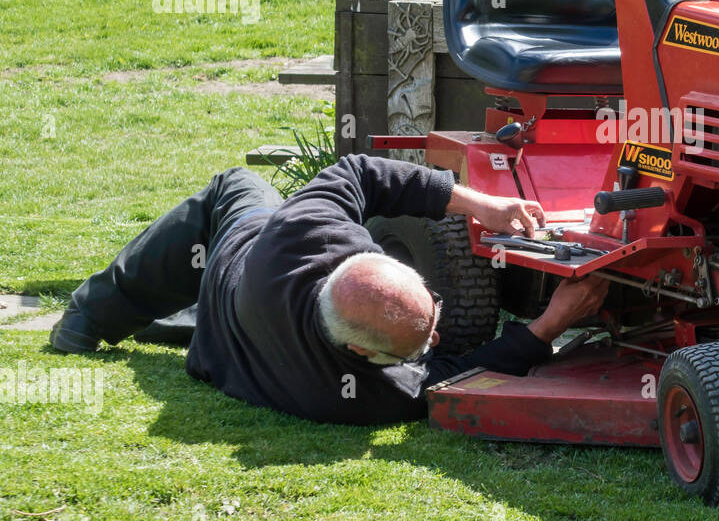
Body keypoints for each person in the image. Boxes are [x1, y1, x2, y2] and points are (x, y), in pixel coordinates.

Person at [50, 155, 608, 424]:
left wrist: (481, 204)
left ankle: (92, 316)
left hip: (238, 313)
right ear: (363, 354)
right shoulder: (357, 394)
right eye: (419, 345)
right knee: (233, 192)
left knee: (236, 186)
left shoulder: (307, 225)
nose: (436, 335)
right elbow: (450, 381)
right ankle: (100, 311)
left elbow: (362, 171)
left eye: (429, 308)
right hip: (235, 311)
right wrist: (547, 328)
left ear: (369, 258)